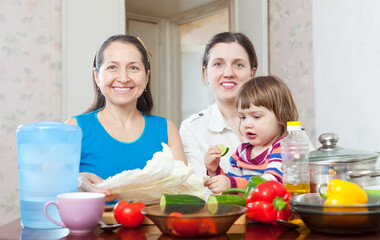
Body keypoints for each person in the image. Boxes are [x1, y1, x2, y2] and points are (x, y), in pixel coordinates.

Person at [66, 34, 187, 202]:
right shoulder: (73, 129)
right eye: (112, 67)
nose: (123, 78)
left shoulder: (166, 129)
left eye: (133, 68)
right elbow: (49, 189)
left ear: (146, 78)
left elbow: (183, 195)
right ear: (96, 76)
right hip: (93, 228)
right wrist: (76, 181)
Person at [179, 32, 258, 177]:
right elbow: (199, 190)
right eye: (218, 64)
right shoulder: (192, 129)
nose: (228, 73)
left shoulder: (278, 118)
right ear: (206, 73)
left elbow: (304, 172)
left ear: (252, 73)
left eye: (239, 64)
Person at [205, 76, 299, 194]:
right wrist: (214, 171)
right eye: (243, 117)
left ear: (281, 117)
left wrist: (231, 183)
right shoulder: (241, 153)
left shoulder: (284, 148)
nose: (246, 124)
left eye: (256, 117)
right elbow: (233, 191)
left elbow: (271, 183)